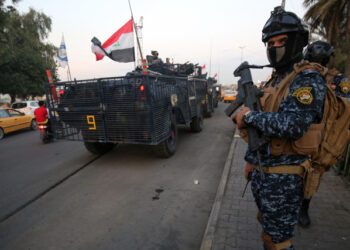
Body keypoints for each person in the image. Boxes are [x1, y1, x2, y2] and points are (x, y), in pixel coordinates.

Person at [233, 7, 326, 249]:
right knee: (268, 232)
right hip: (264, 173)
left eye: (282, 41)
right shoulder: (276, 79)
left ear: (297, 41)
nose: (275, 47)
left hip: (284, 178)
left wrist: (250, 116)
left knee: (279, 242)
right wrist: (251, 160)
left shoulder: (306, 79)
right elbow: (263, 129)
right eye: (270, 43)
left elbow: (293, 125)